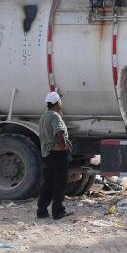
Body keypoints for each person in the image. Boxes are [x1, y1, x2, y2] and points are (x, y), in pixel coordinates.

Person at [37, 91, 73, 220]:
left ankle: (41, 210)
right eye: (60, 101)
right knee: (59, 184)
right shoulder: (55, 116)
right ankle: (58, 211)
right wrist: (63, 146)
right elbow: (59, 133)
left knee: (48, 184)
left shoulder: (43, 117)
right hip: (58, 154)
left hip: (47, 155)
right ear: (57, 103)